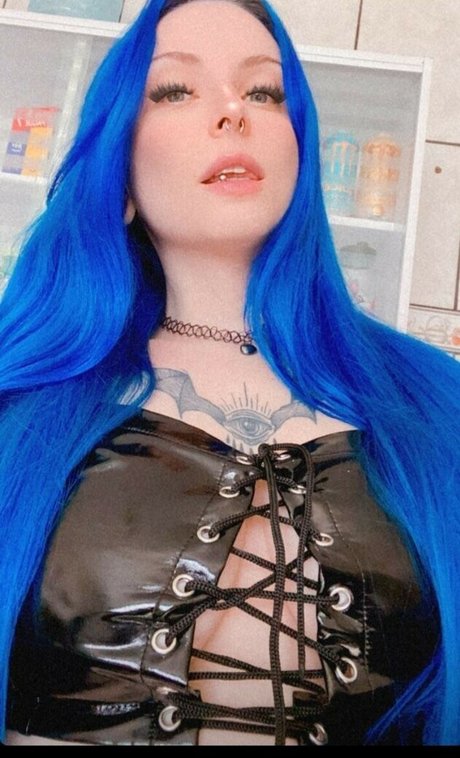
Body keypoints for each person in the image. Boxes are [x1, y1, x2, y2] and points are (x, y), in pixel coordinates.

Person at [0, 0, 459, 747]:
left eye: (264, 92)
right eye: (175, 89)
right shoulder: (20, 402)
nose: (232, 112)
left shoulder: (437, 404)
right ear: (119, 169)